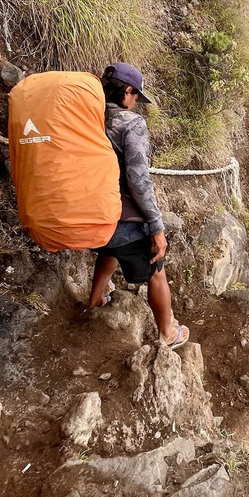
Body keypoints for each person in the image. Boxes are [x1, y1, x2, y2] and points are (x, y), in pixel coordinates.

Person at [86, 62, 189, 350]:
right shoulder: (131, 124)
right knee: (157, 268)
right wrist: (156, 227)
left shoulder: (88, 118)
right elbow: (138, 179)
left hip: (90, 216)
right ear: (127, 91)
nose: (135, 104)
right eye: (135, 98)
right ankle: (168, 332)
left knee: (111, 248)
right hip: (120, 217)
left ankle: (95, 299)